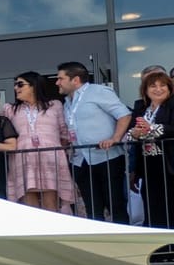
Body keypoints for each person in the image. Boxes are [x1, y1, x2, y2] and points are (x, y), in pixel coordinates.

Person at [57, 60, 132, 223]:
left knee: (115, 205)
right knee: (92, 208)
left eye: (60, 78)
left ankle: (124, 245)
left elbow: (124, 115)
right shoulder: (67, 102)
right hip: (81, 161)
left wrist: (115, 139)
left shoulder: (99, 91)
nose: (57, 82)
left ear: (75, 80)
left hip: (107, 157)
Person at [7, 70, 74, 211]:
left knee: (52, 207)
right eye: (15, 85)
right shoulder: (10, 110)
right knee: (31, 209)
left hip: (50, 160)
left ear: (34, 86)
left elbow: (64, 133)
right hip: (24, 161)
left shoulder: (54, 105)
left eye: (20, 85)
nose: (15, 88)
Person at [129, 68, 174, 227]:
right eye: (153, 86)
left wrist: (150, 129)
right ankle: (160, 249)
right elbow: (130, 135)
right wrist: (134, 134)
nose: (158, 89)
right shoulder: (142, 109)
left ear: (169, 89)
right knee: (153, 207)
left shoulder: (172, 105)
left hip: (169, 165)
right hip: (149, 166)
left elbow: (171, 128)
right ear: (145, 90)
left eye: (163, 86)